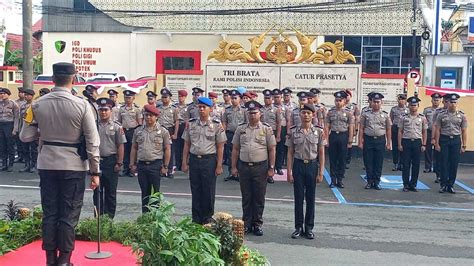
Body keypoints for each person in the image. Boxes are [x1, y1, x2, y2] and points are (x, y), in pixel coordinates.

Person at [19, 62, 100, 266]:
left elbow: (25, 136)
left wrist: (44, 132)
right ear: (73, 79)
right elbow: (92, 141)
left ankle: (49, 260)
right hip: (73, 165)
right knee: (68, 214)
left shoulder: (36, 104)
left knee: (50, 213)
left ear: (53, 79)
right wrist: (95, 172)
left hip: (47, 163)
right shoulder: (82, 105)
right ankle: (64, 260)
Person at [231, 100, 276, 236]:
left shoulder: (266, 129)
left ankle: (257, 224)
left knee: (258, 197)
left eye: (255, 113)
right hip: (244, 167)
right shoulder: (241, 128)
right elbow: (235, 149)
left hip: (260, 167)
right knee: (246, 196)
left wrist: (271, 168)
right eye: (250, 113)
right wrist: (233, 167)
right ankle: (246, 223)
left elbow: (272, 149)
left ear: (260, 114)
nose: (252, 116)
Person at [182, 97, 226, 224]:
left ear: (210, 109)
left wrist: (219, 165)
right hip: (195, 160)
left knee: (208, 191)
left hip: (209, 160)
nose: (201, 109)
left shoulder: (216, 125)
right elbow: (186, 144)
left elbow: (220, 146)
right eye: (199, 107)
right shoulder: (191, 124)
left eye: (204, 107)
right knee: (195, 190)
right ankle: (196, 219)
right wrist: (184, 162)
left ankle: (207, 219)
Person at [286, 103, 324, 239]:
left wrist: (320, 172)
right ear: (300, 115)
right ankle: (298, 227)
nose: (306, 115)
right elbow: (290, 152)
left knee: (310, 198)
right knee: (298, 198)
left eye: (308, 113)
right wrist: (289, 172)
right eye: (303, 113)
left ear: (313, 115)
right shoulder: (293, 131)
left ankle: (308, 228)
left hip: (312, 166)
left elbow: (321, 152)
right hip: (298, 165)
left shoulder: (319, 131)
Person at [130, 104, 171, 212]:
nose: (148, 117)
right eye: (146, 115)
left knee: (155, 193)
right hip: (142, 165)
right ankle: (146, 217)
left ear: (156, 117)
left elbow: (167, 149)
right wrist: (132, 164)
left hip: (155, 165)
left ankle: (155, 217)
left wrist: (166, 166)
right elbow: (134, 148)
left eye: (151, 115)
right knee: (144, 193)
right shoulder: (138, 131)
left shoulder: (163, 131)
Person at [94, 98, 126, 218]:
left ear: (111, 110)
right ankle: (97, 219)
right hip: (96, 161)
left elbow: (120, 145)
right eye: (101, 110)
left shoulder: (117, 127)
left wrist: (119, 162)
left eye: (106, 110)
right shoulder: (93, 125)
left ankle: (109, 219)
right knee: (96, 192)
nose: (103, 112)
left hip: (111, 162)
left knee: (110, 192)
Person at [435, 93, 468, 194]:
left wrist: (464, 145)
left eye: (455, 102)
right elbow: (438, 130)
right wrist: (436, 143)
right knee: (443, 163)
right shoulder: (441, 115)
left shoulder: (461, 116)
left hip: (455, 141)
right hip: (444, 140)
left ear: (457, 103)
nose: (453, 104)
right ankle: (443, 185)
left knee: (453, 164)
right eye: (451, 102)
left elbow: (464, 131)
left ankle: (451, 185)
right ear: (447, 103)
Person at [359, 92, 391, 190]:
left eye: (378, 102)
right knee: (368, 161)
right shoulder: (365, 114)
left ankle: (376, 182)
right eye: (374, 102)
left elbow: (388, 129)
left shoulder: (385, 115)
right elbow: (361, 128)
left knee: (378, 162)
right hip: (368, 140)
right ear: (371, 102)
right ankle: (369, 181)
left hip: (380, 140)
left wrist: (389, 142)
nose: (376, 104)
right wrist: (360, 141)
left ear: (381, 103)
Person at [325, 91, 354, 188]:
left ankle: (340, 179)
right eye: (336, 100)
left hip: (343, 136)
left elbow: (351, 127)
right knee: (333, 159)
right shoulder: (330, 112)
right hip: (333, 135)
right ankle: (333, 180)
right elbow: (327, 126)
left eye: (340, 100)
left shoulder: (348, 113)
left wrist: (350, 140)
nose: (338, 102)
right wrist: (326, 139)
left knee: (342, 159)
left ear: (344, 101)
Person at [398, 96, 427, 192]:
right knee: (405, 164)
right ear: (408, 106)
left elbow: (424, 132)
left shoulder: (422, 118)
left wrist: (424, 144)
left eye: (415, 105)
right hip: (406, 142)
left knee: (416, 164)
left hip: (417, 142)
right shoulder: (403, 118)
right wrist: (399, 144)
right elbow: (400, 131)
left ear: (418, 106)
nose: (413, 107)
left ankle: (413, 184)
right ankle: (405, 184)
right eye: (411, 105)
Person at [222, 90, 247, 181]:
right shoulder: (227, 110)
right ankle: (231, 172)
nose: (233, 100)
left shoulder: (244, 110)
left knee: (240, 153)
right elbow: (224, 122)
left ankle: (239, 173)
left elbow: (246, 123)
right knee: (230, 154)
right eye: (232, 98)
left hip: (241, 134)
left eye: (235, 98)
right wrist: (223, 135)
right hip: (230, 133)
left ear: (240, 99)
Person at [118, 89, 143, 177]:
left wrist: (139, 132)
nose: (127, 99)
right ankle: (125, 169)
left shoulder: (137, 109)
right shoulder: (121, 109)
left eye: (129, 98)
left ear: (133, 98)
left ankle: (133, 168)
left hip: (133, 131)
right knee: (125, 150)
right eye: (126, 98)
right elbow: (119, 122)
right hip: (124, 131)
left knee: (134, 150)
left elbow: (139, 122)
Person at [260, 89, 281, 183]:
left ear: (272, 99)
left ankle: (270, 174)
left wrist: (278, 136)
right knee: (263, 153)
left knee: (272, 153)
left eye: (268, 98)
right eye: (265, 98)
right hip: (262, 133)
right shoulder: (260, 109)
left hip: (272, 133)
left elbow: (279, 123)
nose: (267, 100)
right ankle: (263, 173)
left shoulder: (276, 110)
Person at [157, 88, 179, 178]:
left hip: (170, 130)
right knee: (160, 150)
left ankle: (170, 170)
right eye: (163, 97)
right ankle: (162, 170)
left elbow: (176, 121)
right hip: (160, 130)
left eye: (166, 97)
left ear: (170, 97)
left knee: (170, 150)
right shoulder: (158, 108)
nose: (164, 99)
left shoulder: (174, 108)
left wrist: (175, 133)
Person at [15, 88, 37, 173]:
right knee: (25, 149)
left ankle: (33, 165)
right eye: (25, 95)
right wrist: (19, 129)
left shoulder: (35, 105)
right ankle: (27, 165)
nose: (26, 96)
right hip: (24, 129)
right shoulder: (23, 106)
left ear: (32, 96)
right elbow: (20, 119)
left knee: (33, 150)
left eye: (28, 95)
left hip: (33, 129)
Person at [430, 94, 449, 183]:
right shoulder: (438, 112)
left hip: (448, 137)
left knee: (448, 158)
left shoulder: (456, 113)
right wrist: (433, 138)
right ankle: (438, 175)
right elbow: (434, 125)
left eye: (449, 101)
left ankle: (446, 175)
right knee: (438, 157)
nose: (448, 103)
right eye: (446, 101)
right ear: (443, 102)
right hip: (439, 137)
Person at [0, 88, 19, 172]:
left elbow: (16, 118)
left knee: (10, 146)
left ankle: (10, 164)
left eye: (4, 93)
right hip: (1, 125)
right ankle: (4, 164)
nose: (2, 95)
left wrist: (15, 129)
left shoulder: (13, 104)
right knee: (2, 146)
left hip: (9, 125)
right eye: (1, 93)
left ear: (8, 94)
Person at [422, 93, 441, 174]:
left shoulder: (442, 111)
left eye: (437, 100)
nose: (435, 102)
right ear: (431, 100)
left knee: (438, 150)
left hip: (439, 133)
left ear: (440, 101)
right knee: (428, 150)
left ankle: (436, 167)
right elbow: (424, 121)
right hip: (429, 132)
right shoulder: (427, 110)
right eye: (434, 100)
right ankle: (428, 167)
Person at [389, 94, 408, 171]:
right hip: (395, 128)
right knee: (395, 146)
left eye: (403, 99)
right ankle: (395, 163)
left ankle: (402, 163)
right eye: (400, 99)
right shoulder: (393, 109)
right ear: (397, 100)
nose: (401, 101)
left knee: (404, 147)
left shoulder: (408, 110)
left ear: (405, 100)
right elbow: (391, 119)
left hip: (405, 129)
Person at [272, 88, 288, 176]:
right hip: (273, 129)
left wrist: (288, 132)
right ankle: (272, 167)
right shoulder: (271, 107)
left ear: (281, 97)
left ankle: (279, 167)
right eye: (275, 97)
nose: (276, 99)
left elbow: (288, 120)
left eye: (278, 97)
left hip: (282, 129)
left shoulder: (285, 108)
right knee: (271, 149)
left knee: (280, 149)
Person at [344, 89, 360, 170]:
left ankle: (347, 160)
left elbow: (357, 118)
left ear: (350, 96)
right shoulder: (340, 105)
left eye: (347, 95)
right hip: (342, 127)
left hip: (351, 127)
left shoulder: (354, 106)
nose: (346, 97)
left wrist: (356, 129)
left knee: (349, 143)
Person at [175, 89, 188, 172]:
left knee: (185, 146)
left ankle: (185, 163)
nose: (180, 98)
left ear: (185, 97)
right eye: (179, 96)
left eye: (182, 96)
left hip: (184, 126)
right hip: (176, 126)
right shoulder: (175, 106)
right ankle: (177, 164)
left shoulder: (188, 107)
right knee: (177, 147)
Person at [14, 87, 26, 164]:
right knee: (18, 142)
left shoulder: (26, 103)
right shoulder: (15, 102)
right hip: (17, 124)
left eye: (21, 92)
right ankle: (19, 156)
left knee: (24, 142)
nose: (20, 94)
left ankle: (25, 157)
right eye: (19, 92)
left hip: (24, 125)